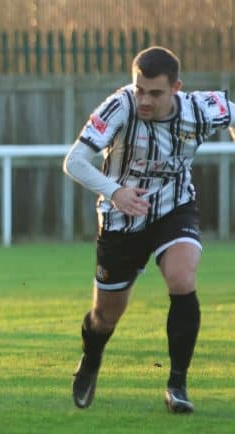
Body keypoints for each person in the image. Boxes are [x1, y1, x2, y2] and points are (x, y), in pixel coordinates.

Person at [63, 46, 235, 413]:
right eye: (139, 89)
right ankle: (91, 360)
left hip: (174, 206)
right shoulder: (119, 105)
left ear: (176, 88)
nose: (144, 99)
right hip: (121, 218)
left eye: (154, 93)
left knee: (182, 277)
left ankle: (177, 385)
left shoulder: (200, 108)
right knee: (105, 315)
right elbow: (74, 161)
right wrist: (116, 192)